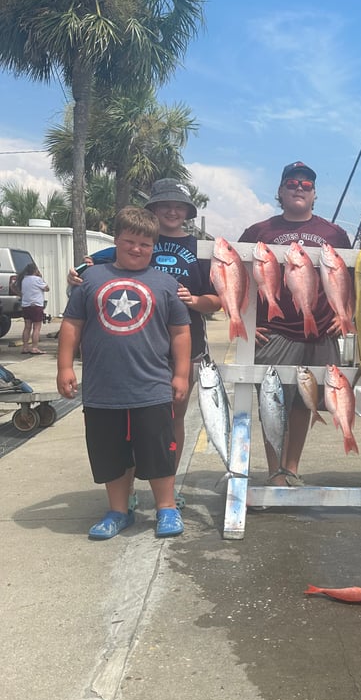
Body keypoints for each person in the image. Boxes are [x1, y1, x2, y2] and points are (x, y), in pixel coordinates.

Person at [68, 178, 222, 509]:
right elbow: (89, 271)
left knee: (170, 421)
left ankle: (168, 487)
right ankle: (129, 491)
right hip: (133, 346)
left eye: (179, 206)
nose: (172, 211)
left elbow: (218, 299)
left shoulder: (203, 249)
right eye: (165, 204)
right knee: (130, 424)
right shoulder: (133, 240)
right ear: (151, 210)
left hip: (184, 344)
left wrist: (195, 300)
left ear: (187, 212)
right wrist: (76, 274)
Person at [57, 206, 191, 540]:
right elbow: (72, 324)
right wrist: (64, 366)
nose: (136, 249)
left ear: (153, 247)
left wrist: (181, 374)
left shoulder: (166, 283)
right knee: (110, 455)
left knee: (159, 453)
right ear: (115, 240)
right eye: (130, 241)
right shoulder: (90, 279)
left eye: (145, 244)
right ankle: (118, 511)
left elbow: (180, 332)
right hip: (103, 390)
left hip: (153, 388)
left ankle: (166, 508)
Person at [238, 161, 352, 486]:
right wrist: (246, 322)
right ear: (280, 191)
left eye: (306, 184)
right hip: (274, 333)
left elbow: (355, 280)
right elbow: (237, 279)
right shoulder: (258, 232)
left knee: (306, 403)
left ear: (314, 194)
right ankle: (274, 472)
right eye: (292, 183)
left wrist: (347, 315)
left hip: (320, 334)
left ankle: (291, 468)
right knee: (273, 402)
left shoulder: (336, 234)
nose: (299, 187)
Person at [18, 262, 50, 354]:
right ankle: (34, 347)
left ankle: (25, 347)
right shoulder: (37, 279)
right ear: (35, 270)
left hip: (26, 305)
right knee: (36, 327)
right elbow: (47, 288)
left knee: (27, 327)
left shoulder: (24, 279)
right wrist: (40, 276)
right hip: (36, 305)